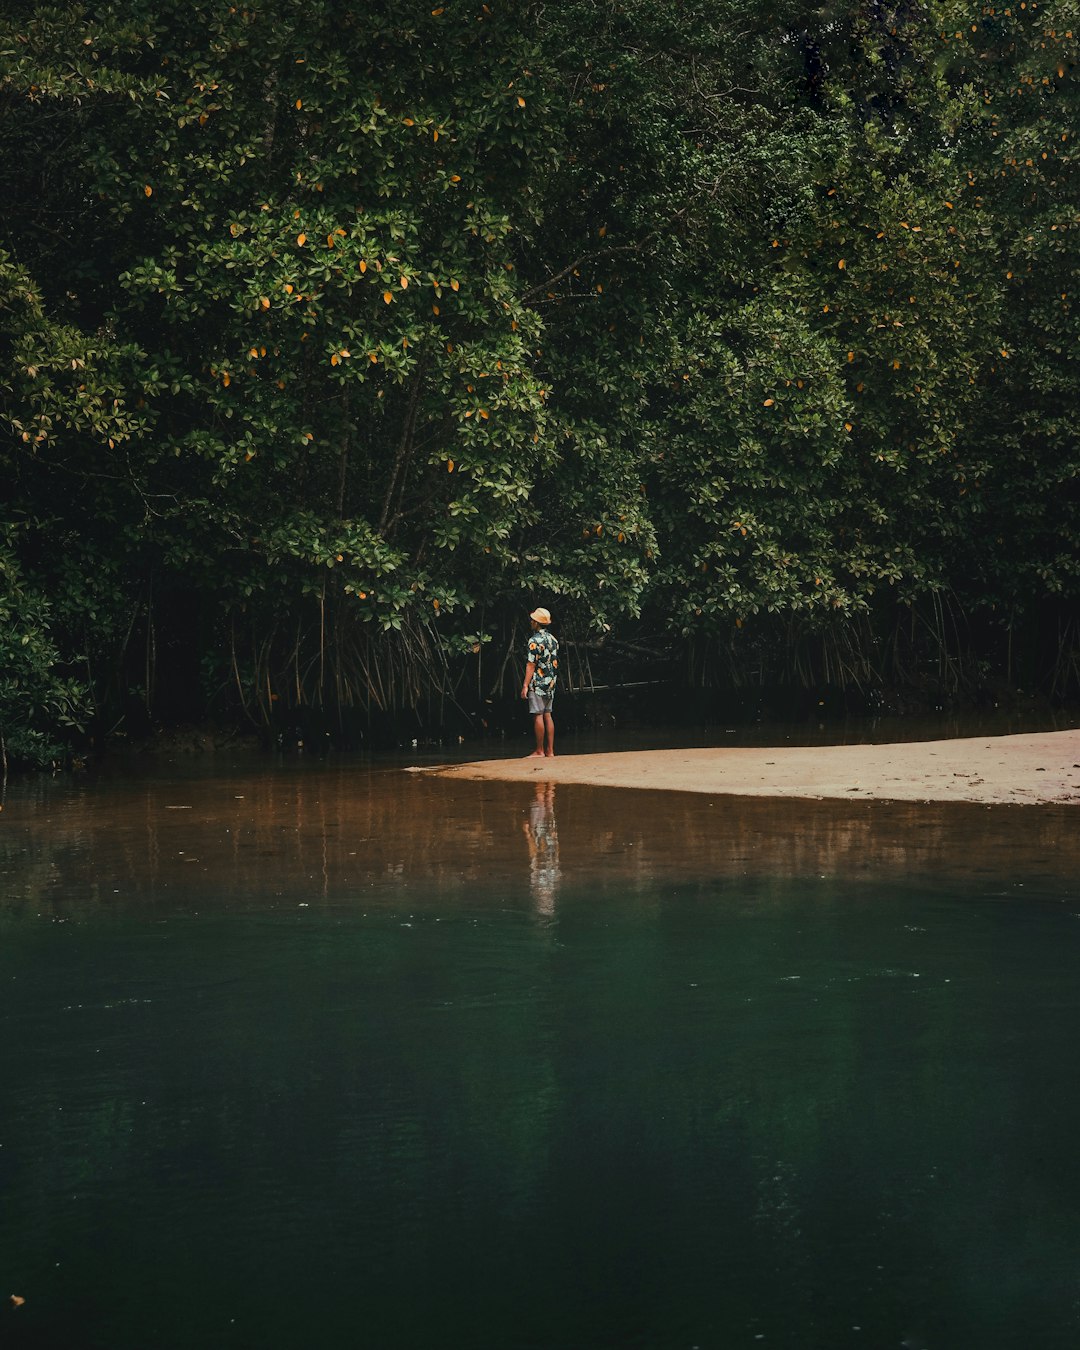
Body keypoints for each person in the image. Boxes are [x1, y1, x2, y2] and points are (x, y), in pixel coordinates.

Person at [521, 606, 558, 757]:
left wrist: (525, 685)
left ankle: (539, 750)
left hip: (537, 683)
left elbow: (531, 665)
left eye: (533, 620)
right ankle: (550, 751)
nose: (531, 621)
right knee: (548, 714)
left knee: (538, 714)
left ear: (537, 623)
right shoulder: (553, 640)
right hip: (551, 683)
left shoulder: (534, 641)